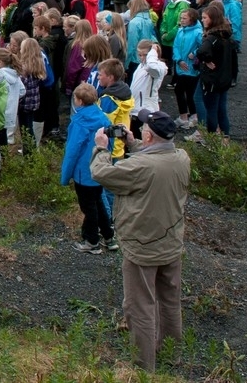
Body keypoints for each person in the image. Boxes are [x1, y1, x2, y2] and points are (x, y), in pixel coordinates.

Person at [90, 110, 190, 373]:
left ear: (149, 135)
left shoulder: (141, 167)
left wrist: (101, 148)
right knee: (169, 300)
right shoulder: (181, 158)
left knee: (140, 307)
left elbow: (102, 173)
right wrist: (134, 143)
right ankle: (170, 355)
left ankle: (143, 369)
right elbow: (155, 157)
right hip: (171, 242)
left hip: (142, 245)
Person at [61, 83, 115, 254]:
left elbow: (72, 151)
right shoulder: (104, 118)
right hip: (100, 169)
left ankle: (92, 241)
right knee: (98, 201)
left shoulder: (79, 122)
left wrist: (65, 176)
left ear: (78, 100)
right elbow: (110, 144)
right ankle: (108, 236)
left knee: (88, 207)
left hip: (83, 173)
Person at [197, 1, 235, 138]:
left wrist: (206, 61)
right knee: (221, 109)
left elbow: (201, 52)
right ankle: (225, 138)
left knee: (211, 110)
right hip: (224, 78)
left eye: (205, 18)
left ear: (212, 19)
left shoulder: (212, 37)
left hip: (212, 80)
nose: (202, 20)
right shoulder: (227, 35)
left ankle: (211, 138)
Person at [171, 9, 204, 130]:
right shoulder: (180, 31)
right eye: (181, 18)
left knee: (183, 91)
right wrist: (179, 60)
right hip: (181, 66)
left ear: (192, 19)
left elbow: (203, 46)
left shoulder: (198, 32)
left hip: (191, 68)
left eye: (184, 18)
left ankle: (185, 117)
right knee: (187, 92)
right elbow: (175, 46)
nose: (182, 20)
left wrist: (194, 53)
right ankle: (191, 116)